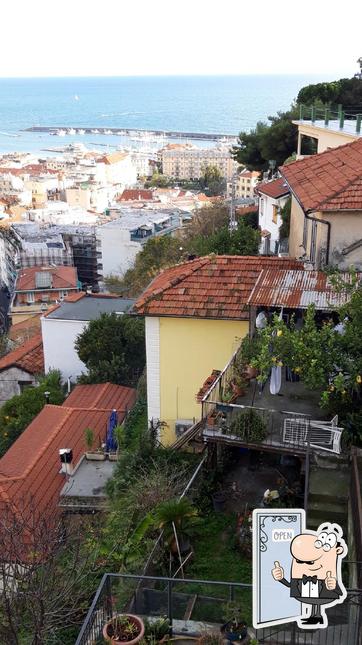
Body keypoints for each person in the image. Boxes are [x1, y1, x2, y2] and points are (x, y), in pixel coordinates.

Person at [271, 523, 347, 628]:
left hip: (323, 595)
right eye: (299, 561)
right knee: (314, 600)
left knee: (317, 600)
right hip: (308, 594)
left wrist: (333, 586)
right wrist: (280, 578)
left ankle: (317, 616)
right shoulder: (300, 579)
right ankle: (314, 616)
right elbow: (290, 585)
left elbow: (340, 592)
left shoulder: (327, 577)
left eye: (310, 562)